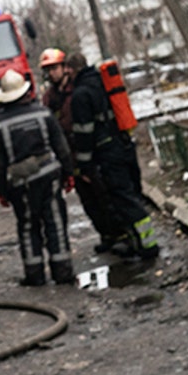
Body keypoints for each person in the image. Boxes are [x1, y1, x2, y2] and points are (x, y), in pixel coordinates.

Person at [0, 69, 76, 287]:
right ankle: (62, 271)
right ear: (25, 93)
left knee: (27, 226)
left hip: (20, 182)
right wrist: (69, 173)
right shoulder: (43, 114)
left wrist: (1, 191)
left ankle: (34, 274)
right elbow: (61, 147)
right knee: (55, 221)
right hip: (49, 175)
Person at [65, 54, 158, 261]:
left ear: (72, 70)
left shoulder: (80, 94)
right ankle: (139, 243)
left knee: (123, 197)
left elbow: (83, 132)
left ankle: (147, 246)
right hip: (124, 144)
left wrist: (84, 165)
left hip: (107, 152)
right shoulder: (101, 81)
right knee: (131, 193)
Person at [42, 49, 122, 253]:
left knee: (104, 195)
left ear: (64, 68)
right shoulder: (49, 98)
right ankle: (105, 234)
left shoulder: (77, 90)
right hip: (69, 156)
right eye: (48, 70)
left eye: (54, 68)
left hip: (91, 151)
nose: (52, 73)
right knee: (88, 200)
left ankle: (119, 235)